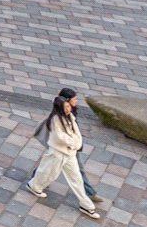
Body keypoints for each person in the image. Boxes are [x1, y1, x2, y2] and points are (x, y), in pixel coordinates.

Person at [25, 88, 102, 219]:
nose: (69, 108)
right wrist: (74, 143)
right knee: (49, 174)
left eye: (69, 106)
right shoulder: (55, 120)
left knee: (76, 178)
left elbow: (76, 133)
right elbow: (59, 137)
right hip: (58, 153)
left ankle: (87, 205)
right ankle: (34, 186)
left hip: (70, 153)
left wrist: (76, 144)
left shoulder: (70, 116)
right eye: (67, 106)